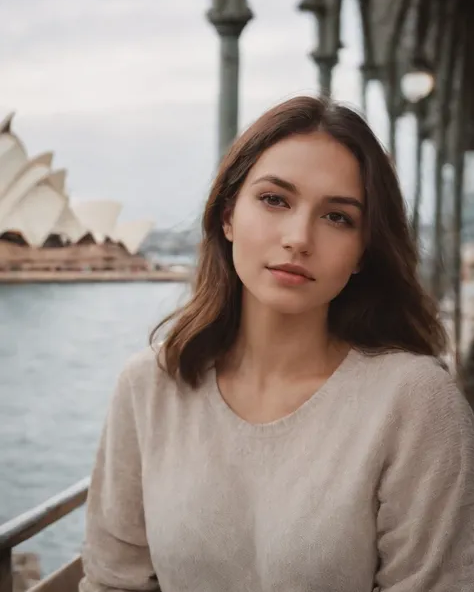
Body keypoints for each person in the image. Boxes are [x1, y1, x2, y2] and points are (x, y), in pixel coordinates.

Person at [79, 96, 474, 592]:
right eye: (274, 200)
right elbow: (112, 582)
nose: (298, 237)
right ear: (227, 217)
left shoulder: (415, 403)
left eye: (337, 217)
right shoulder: (150, 386)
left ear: (362, 253)